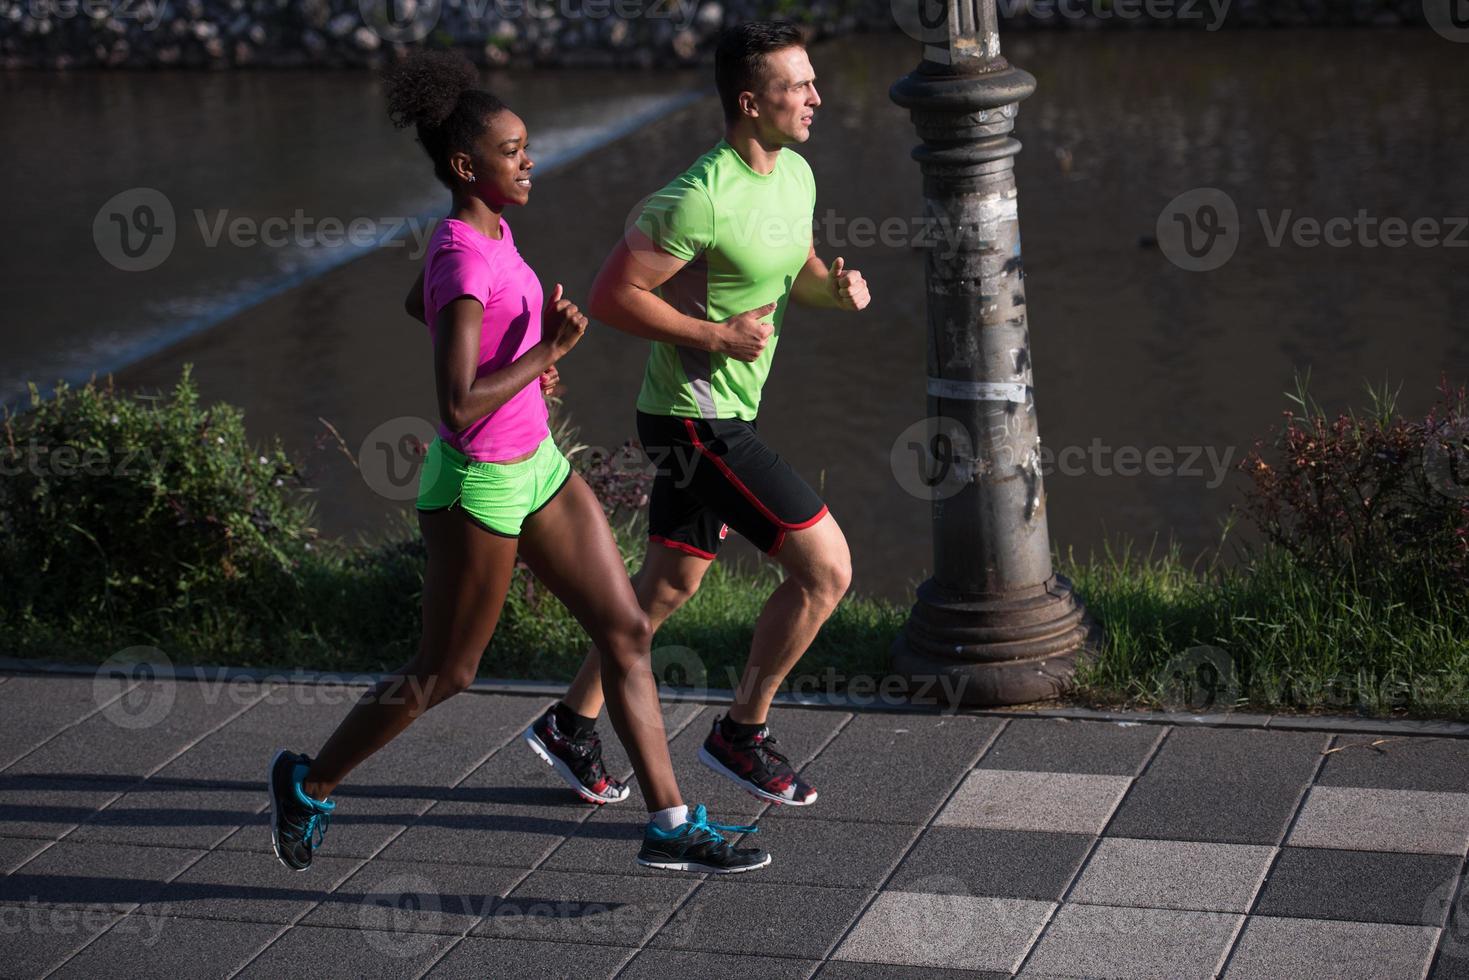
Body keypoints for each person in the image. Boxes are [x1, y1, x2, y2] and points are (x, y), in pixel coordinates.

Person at [267, 51, 770, 876]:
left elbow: (416, 303)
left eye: (527, 145)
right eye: (511, 150)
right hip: (478, 486)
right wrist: (540, 354)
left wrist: (522, 354)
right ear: (467, 166)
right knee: (447, 670)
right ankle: (309, 780)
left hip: (537, 464)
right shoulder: (464, 254)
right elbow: (458, 404)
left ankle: (670, 822)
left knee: (626, 631)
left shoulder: (486, 232)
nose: (528, 159)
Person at [525, 21, 870, 809]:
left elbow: (797, 271)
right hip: (693, 420)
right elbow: (613, 296)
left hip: (717, 411)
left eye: (814, 80)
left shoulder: (795, 176)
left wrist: (833, 287)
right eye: (797, 86)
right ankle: (740, 734)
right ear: (750, 103)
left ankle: (568, 724)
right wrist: (715, 334)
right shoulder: (696, 197)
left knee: (667, 586)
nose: (816, 97)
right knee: (825, 571)